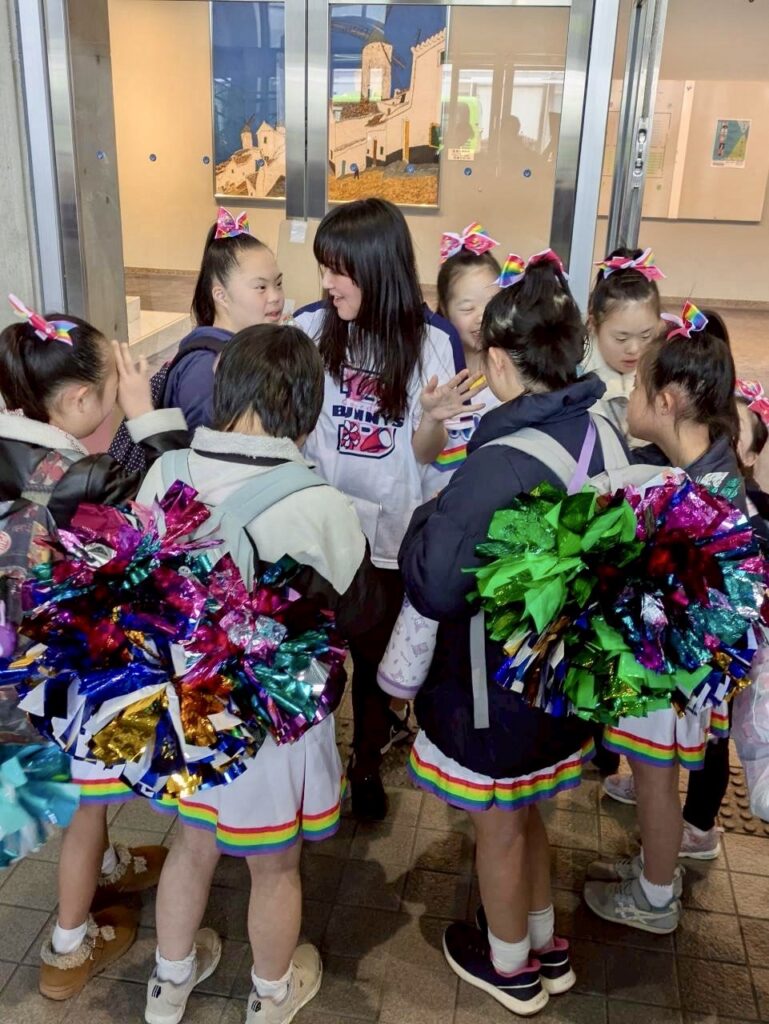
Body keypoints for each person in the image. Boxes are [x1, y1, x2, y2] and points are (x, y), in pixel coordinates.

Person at [136, 324, 382, 1024]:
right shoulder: (319, 503)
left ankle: (169, 984)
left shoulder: (166, 473)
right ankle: (271, 994)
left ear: (224, 390)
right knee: (274, 864)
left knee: (191, 845)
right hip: (273, 726)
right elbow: (360, 613)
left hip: (185, 705)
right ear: (306, 410)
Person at [399, 252, 618, 1016]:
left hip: (496, 688)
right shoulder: (599, 432)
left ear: (498, 360)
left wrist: (425, 521)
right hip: (569, 680)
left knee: (496, 825)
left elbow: (435, 583)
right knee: (529, 815)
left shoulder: (499, 464)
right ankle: (544, 943)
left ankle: (510, 967)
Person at [0, 298, 188, 999]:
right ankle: (68, 945)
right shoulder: (74, 476)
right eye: (111, 389)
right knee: (86, 802)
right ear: (79, 398)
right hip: (51, 678)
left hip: (10, 660)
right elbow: (174, 511)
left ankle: (107, 868)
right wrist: (146, 417)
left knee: (66, 798)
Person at [294, 197, 481, 820]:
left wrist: (429, 419)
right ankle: (309, 766)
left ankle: (366, 761)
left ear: (376, 267)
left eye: (338, 270)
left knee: (377, 668)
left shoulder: (434, 342)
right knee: (314, 660)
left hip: (391, 542)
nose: (326, 283)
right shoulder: (309, 329)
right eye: (323, 267)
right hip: (321, 539)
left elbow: (429, 457)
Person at [584, 307, 745, 928]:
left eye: (637, 388)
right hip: (685, 671)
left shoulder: (695, 496)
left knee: (654, 782)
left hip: (669, 675)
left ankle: (654, 898)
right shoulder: (712, 466)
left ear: (667, 401)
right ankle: (657, 868)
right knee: (658, 777)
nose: (628, 396)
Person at [164, 208, 284, 429]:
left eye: (278, 284)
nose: (276, 297)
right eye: (261, 287)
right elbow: (205, 444)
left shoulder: (243, 350)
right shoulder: (204, 367)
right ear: (221, 296)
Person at [583, 247, 664, 447]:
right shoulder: (576, 373)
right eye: (621, 338)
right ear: (593, 324)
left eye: (646, 335)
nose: (634, 349)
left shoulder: (664, 369)